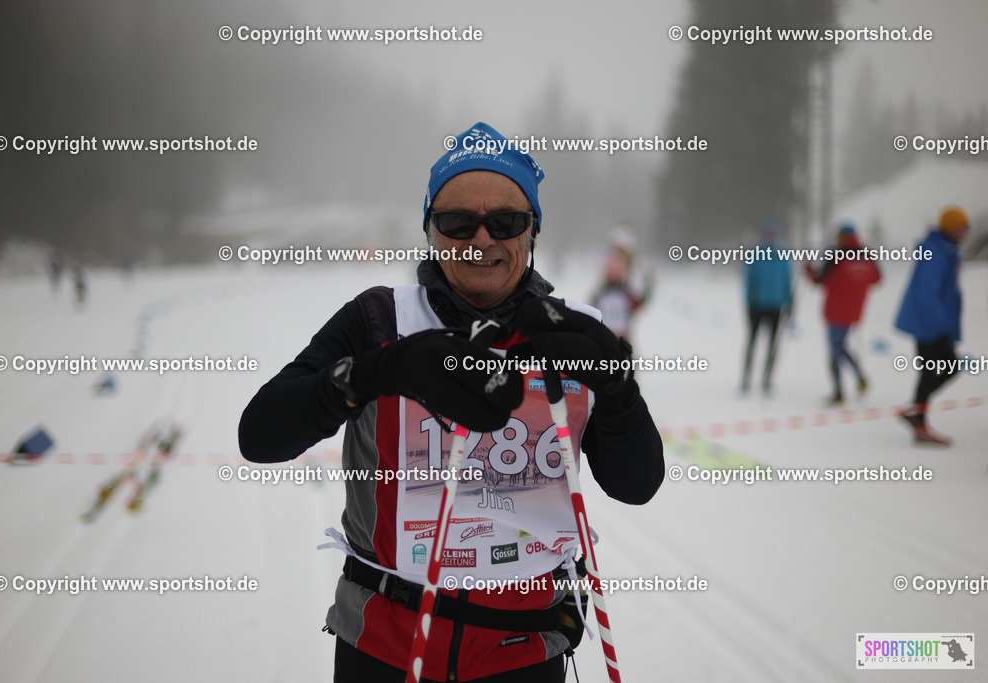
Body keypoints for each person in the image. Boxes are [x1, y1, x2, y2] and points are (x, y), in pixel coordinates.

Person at [239, 122, 665, 683]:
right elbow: (260, 434)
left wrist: (617, 389)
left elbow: (637, 484)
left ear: (532, 230)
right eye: (458, 221)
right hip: (386, 645)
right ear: (431, 231)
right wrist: (375, 372)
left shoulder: (577, 336)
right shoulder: (377, 321)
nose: (481, 239)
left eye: (505, 222)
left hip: (523, 651)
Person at [894, 206, 970, 446]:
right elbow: (928, 293)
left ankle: (916, 415)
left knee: (938, 369)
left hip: (932, 323)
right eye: (961, 227)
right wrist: (940, 326)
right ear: (950, 227)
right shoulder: (935, 251)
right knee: (939, 369)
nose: (965, 232)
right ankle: (918, 419)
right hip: (928, 324)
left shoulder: (944, 249)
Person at [804, 223, 881, 405]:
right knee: (840, 346)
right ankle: (859, 379)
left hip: (835, 310)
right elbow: (877, 279)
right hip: (855, 310)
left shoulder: (835, 255)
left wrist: (807, 269)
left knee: (835, 350)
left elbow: (820, 280)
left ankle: (840, 391)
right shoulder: (866, 254)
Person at [741, 219, 794, 395]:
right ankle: (746, 379)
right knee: (752, 343)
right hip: (757, 305)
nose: (772, 236)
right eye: (769, 233)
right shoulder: (755, 254)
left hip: (776, 305)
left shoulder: (783, 255)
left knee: (773, 345)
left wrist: (790, 301)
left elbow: (787, 281)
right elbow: (748, 280)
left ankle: (767, 380)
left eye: (774, 233)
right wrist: (748, 302)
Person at [590, 227, 652, 343]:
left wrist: (648, 279)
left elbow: (641, 301)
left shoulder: (626, 294)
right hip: (603, 344)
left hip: (622, 345)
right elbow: (590, 315)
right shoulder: (600, 294)